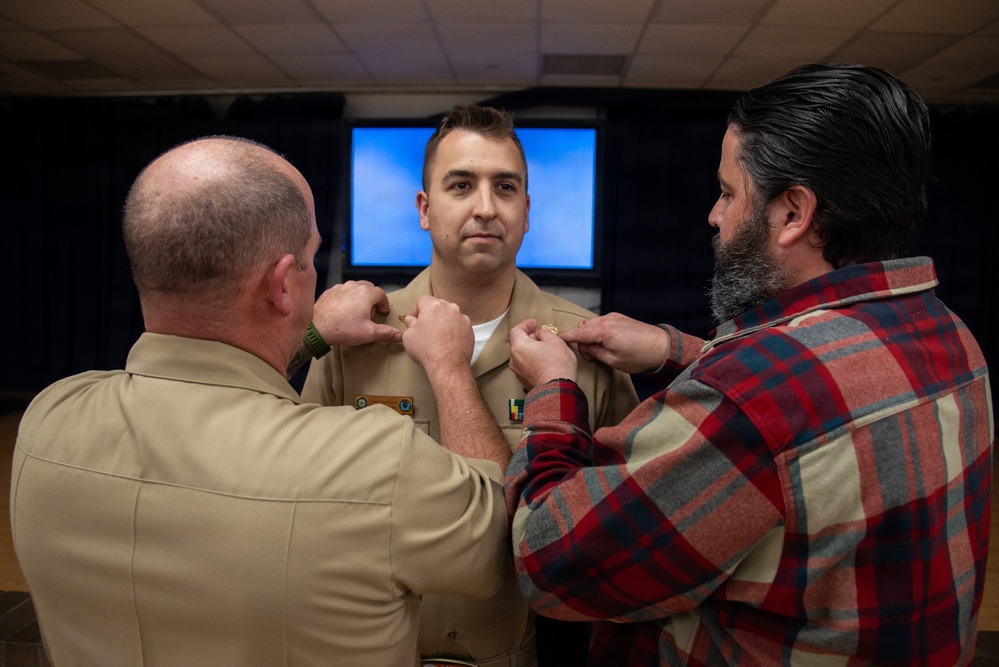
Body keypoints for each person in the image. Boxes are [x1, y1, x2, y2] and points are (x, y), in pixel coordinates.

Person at [504, 63, 994, 665]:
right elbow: (824, 404)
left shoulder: (752, 397)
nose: (715, 214)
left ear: (794, 213)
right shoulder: (948, 333)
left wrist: (554, 389)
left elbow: (551, 564)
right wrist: (675, 351)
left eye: (730, 192)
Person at [10, 136, 512, 666]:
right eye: (311, 258)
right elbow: (503, 537)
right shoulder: (376, 464)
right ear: (282, 286)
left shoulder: (48, 420)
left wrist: (312, 335)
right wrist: (449, 368)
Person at [302, 105, 639, 666]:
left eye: (504, 187)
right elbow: (306, 506)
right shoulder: (356, 337)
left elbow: (612, 535)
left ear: (526, 211)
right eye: (461, 185)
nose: (485, 207)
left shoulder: (586, 349)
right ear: (425, 210)